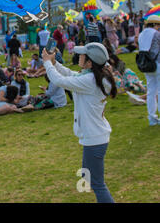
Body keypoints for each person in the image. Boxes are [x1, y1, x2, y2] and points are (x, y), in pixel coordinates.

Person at [42, 42, 117, 203]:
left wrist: (47, 62)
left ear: (90, 62)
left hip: (94, 138)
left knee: (98, 184)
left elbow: (60, 81)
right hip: (96, 136)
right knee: (87, 176)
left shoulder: (89, 80)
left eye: (82, 55)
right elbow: (70, 74)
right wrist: (55, 63)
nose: (79, 56)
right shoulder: (92, 76)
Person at [137, 15, 160, 126]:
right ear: (155, 24)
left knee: (151, 91)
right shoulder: (156, 34)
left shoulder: (142, 34)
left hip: (146, 64)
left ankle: (152, 118)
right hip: (157, 64)